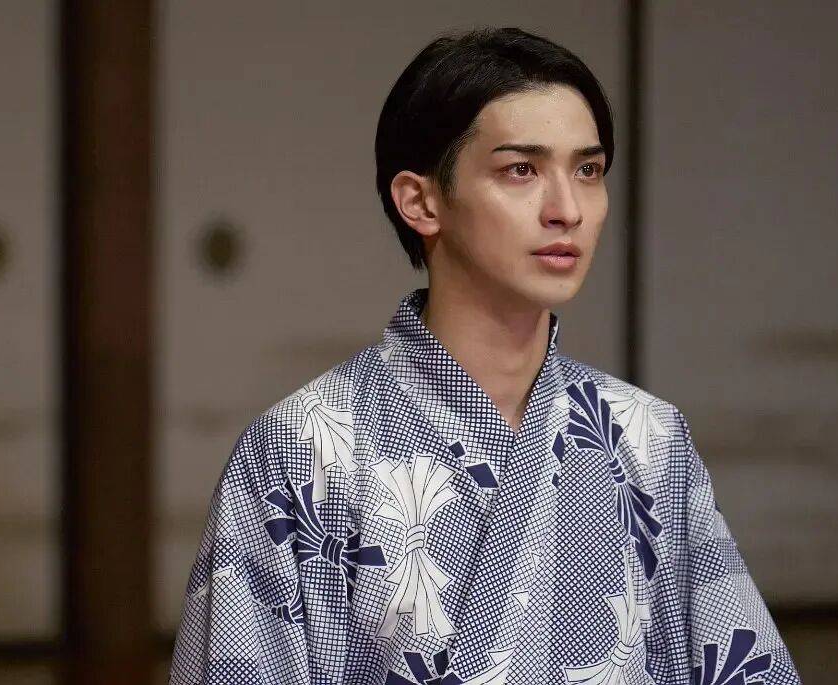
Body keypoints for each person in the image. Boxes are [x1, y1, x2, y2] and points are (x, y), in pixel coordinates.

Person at [168, 26, 802, 685]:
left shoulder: (648, 437)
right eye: (520, 170)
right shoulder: (302, 447)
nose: (566, 209)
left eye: (587, 171)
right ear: (421, 201)